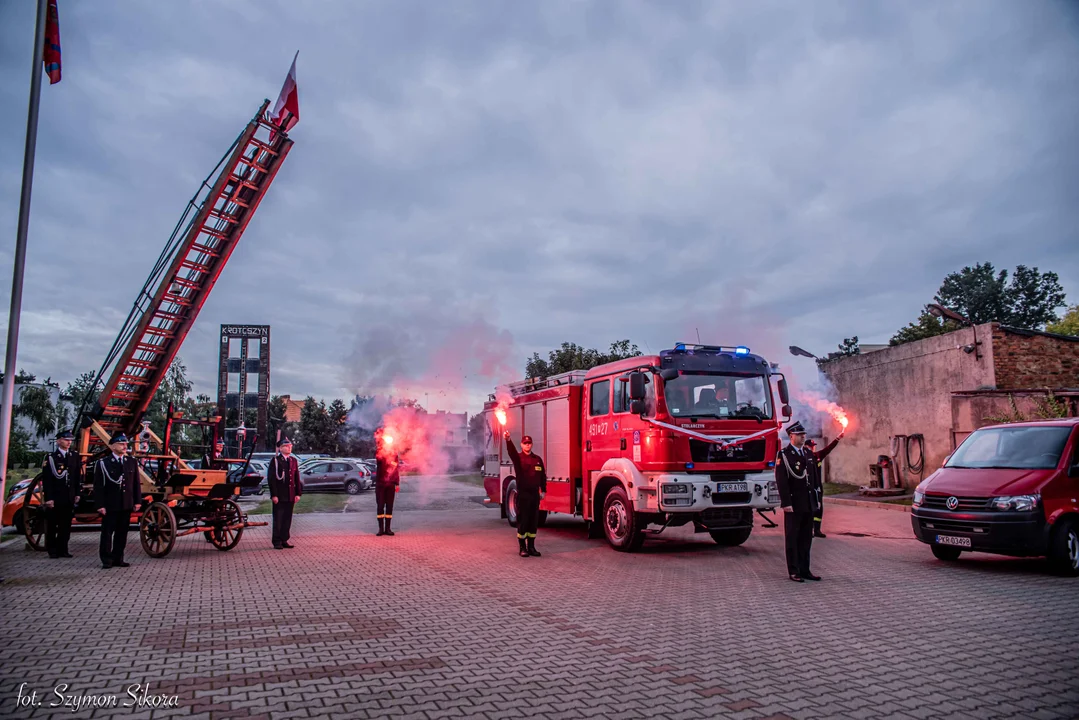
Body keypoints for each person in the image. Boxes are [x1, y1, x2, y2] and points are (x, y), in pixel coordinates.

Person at [774, 421, 819, 582]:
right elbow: (782, 481)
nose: (803, 437)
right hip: (793, 503)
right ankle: (794, 571)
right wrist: (786, 503)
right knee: (793, 538)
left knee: (807, 538)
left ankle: (805, 569)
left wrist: (817, 500)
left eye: (803, 434)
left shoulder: (808, 453)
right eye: (800, 435)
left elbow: (814, 479)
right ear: (791, 436)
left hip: (807, 502)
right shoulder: (784, 455)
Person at [94, 432, 143, 569]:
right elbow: (98, 486)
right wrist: (100, 505)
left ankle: (118, 558)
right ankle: (106, 559)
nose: (124, 446)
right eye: (121, 444)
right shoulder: (104, 463)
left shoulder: (131, 462)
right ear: (112, 446)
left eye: (125, 443)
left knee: (122, 534)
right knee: (107, 533)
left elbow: (135, 484)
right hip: (110, 504)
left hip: (126, 503)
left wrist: (137, 501)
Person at [504, 432, 546, 558]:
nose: (527, 445)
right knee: (523, 521)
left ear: (531, 444)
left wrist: (543, 490)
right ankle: (522, 548)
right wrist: (508, 440)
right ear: (522, 445)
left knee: (533, 521)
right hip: (523, 495)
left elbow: (543, 476)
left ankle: (531, 547)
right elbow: (511, 452)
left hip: (534, 495)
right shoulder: (518, 458)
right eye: (525, 443)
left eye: (529, 443)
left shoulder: (537, 460)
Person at [42, 429, 81, 559]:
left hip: (69, 495)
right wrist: (49, 498)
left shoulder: (74, 456)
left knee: (65, 525)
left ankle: (63, 549)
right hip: (56, 496)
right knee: (53, 524)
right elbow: (47, 480)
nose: (69, 442)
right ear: (59, 441)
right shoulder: (51, 458)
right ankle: (52, 550)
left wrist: (77, 493)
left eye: (70, 440)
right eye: (66, 440)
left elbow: (76, 477)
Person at [805, 431, 844, 538]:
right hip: (808, 487)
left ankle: (817, 530)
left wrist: (838, 438)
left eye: (813, 446)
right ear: (805, 447)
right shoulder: (803, 457)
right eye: (810, 446)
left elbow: (828, 449)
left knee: (819, 508)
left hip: (818, 487)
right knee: (810, 509)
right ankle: (809, 530)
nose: (812, 448)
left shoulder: (817, 455)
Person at [267, 436, 302, 549]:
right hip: (280, 494)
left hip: (290, 494)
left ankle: (284, 539)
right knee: (278, 519)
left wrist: (298, 493)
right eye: (287, 446)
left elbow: (296, 478)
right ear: (281, 448)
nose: (289, 448)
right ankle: (277, 541)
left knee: (287, 518)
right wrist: (274, 495)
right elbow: (272, 479)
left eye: (290, 446)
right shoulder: (276, 461)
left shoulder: (293, 460)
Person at [374, 429, 401, 536]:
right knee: (380, 506)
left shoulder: (394, 454)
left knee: (389, 506)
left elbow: (396, 468)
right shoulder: (379, 452)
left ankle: (388, 529)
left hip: (390, 484)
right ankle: (380, 529)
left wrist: (397, 483)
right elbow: (378, 459)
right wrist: (382, 448)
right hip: (381, 484)